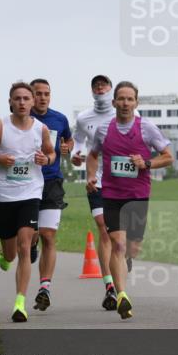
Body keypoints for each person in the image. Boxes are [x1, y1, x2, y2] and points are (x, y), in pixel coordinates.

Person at [85, 81, 174, 320]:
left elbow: (168, 157)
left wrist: (146, 163)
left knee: (132, 248)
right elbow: (93, 155)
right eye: (121, 99)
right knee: (118, 244)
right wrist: (91, 176)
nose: (125, 103)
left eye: (129, 99)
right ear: (113, 102)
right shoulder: (103, 130)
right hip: (111, 194)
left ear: (136, 103)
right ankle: (122, 295)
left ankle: (126, 263)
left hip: (138, 196)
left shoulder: (147, 128)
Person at [0, 82, 55, 323]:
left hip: (30, 192)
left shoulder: (41, 129)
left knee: (25, 246)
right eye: (17, 98)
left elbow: (51, 154)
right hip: (4, 196)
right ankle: (3, 254)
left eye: (26, 98)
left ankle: (20, 302)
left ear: (32, 102)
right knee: (10, 254)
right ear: (10, 102)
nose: (21, 102)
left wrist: (45, 159)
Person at [71, 75, 121, 310]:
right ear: (92, 90)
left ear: (111, 89)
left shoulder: (124, 113)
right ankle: (110, 286)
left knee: (118, 236)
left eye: (104, 84)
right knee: (103, 227)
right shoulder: (83, 118)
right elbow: (78, 143)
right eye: (96, 85)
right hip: (97, 180)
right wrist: (75, 155)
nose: (100, 87)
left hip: (123, 181)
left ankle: (121, 257)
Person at [28, 78, 74, 312]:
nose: (43, 97)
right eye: (38, 93)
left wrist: (67, 148)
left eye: (46, 93)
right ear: (30, 96)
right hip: (26, 184)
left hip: (52, 182)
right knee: (32, 234)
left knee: (48, 234)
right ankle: (31, 244)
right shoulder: (23, 120)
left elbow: (69, 139)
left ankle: (44, 287)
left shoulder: (60, 118)